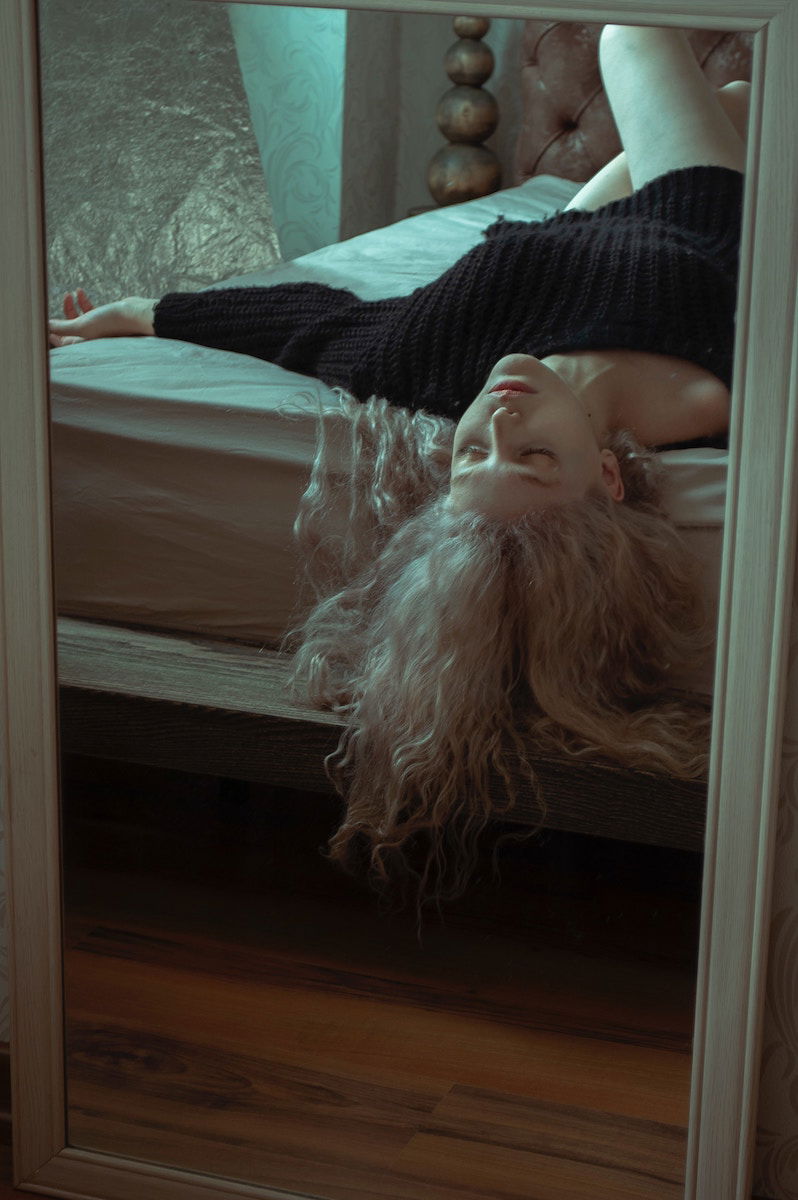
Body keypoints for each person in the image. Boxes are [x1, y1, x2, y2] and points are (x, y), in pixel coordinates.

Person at [49, 27, 749, 905]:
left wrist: (143, 312)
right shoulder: (723, 384)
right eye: (532, 454)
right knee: (688, 67)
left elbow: (315, 324)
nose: (499, 414)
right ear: (610, 477)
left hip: (564, 233)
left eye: (469, 450)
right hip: (706, 220)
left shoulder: (435, 368)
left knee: (666, 57)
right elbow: (737, 248)